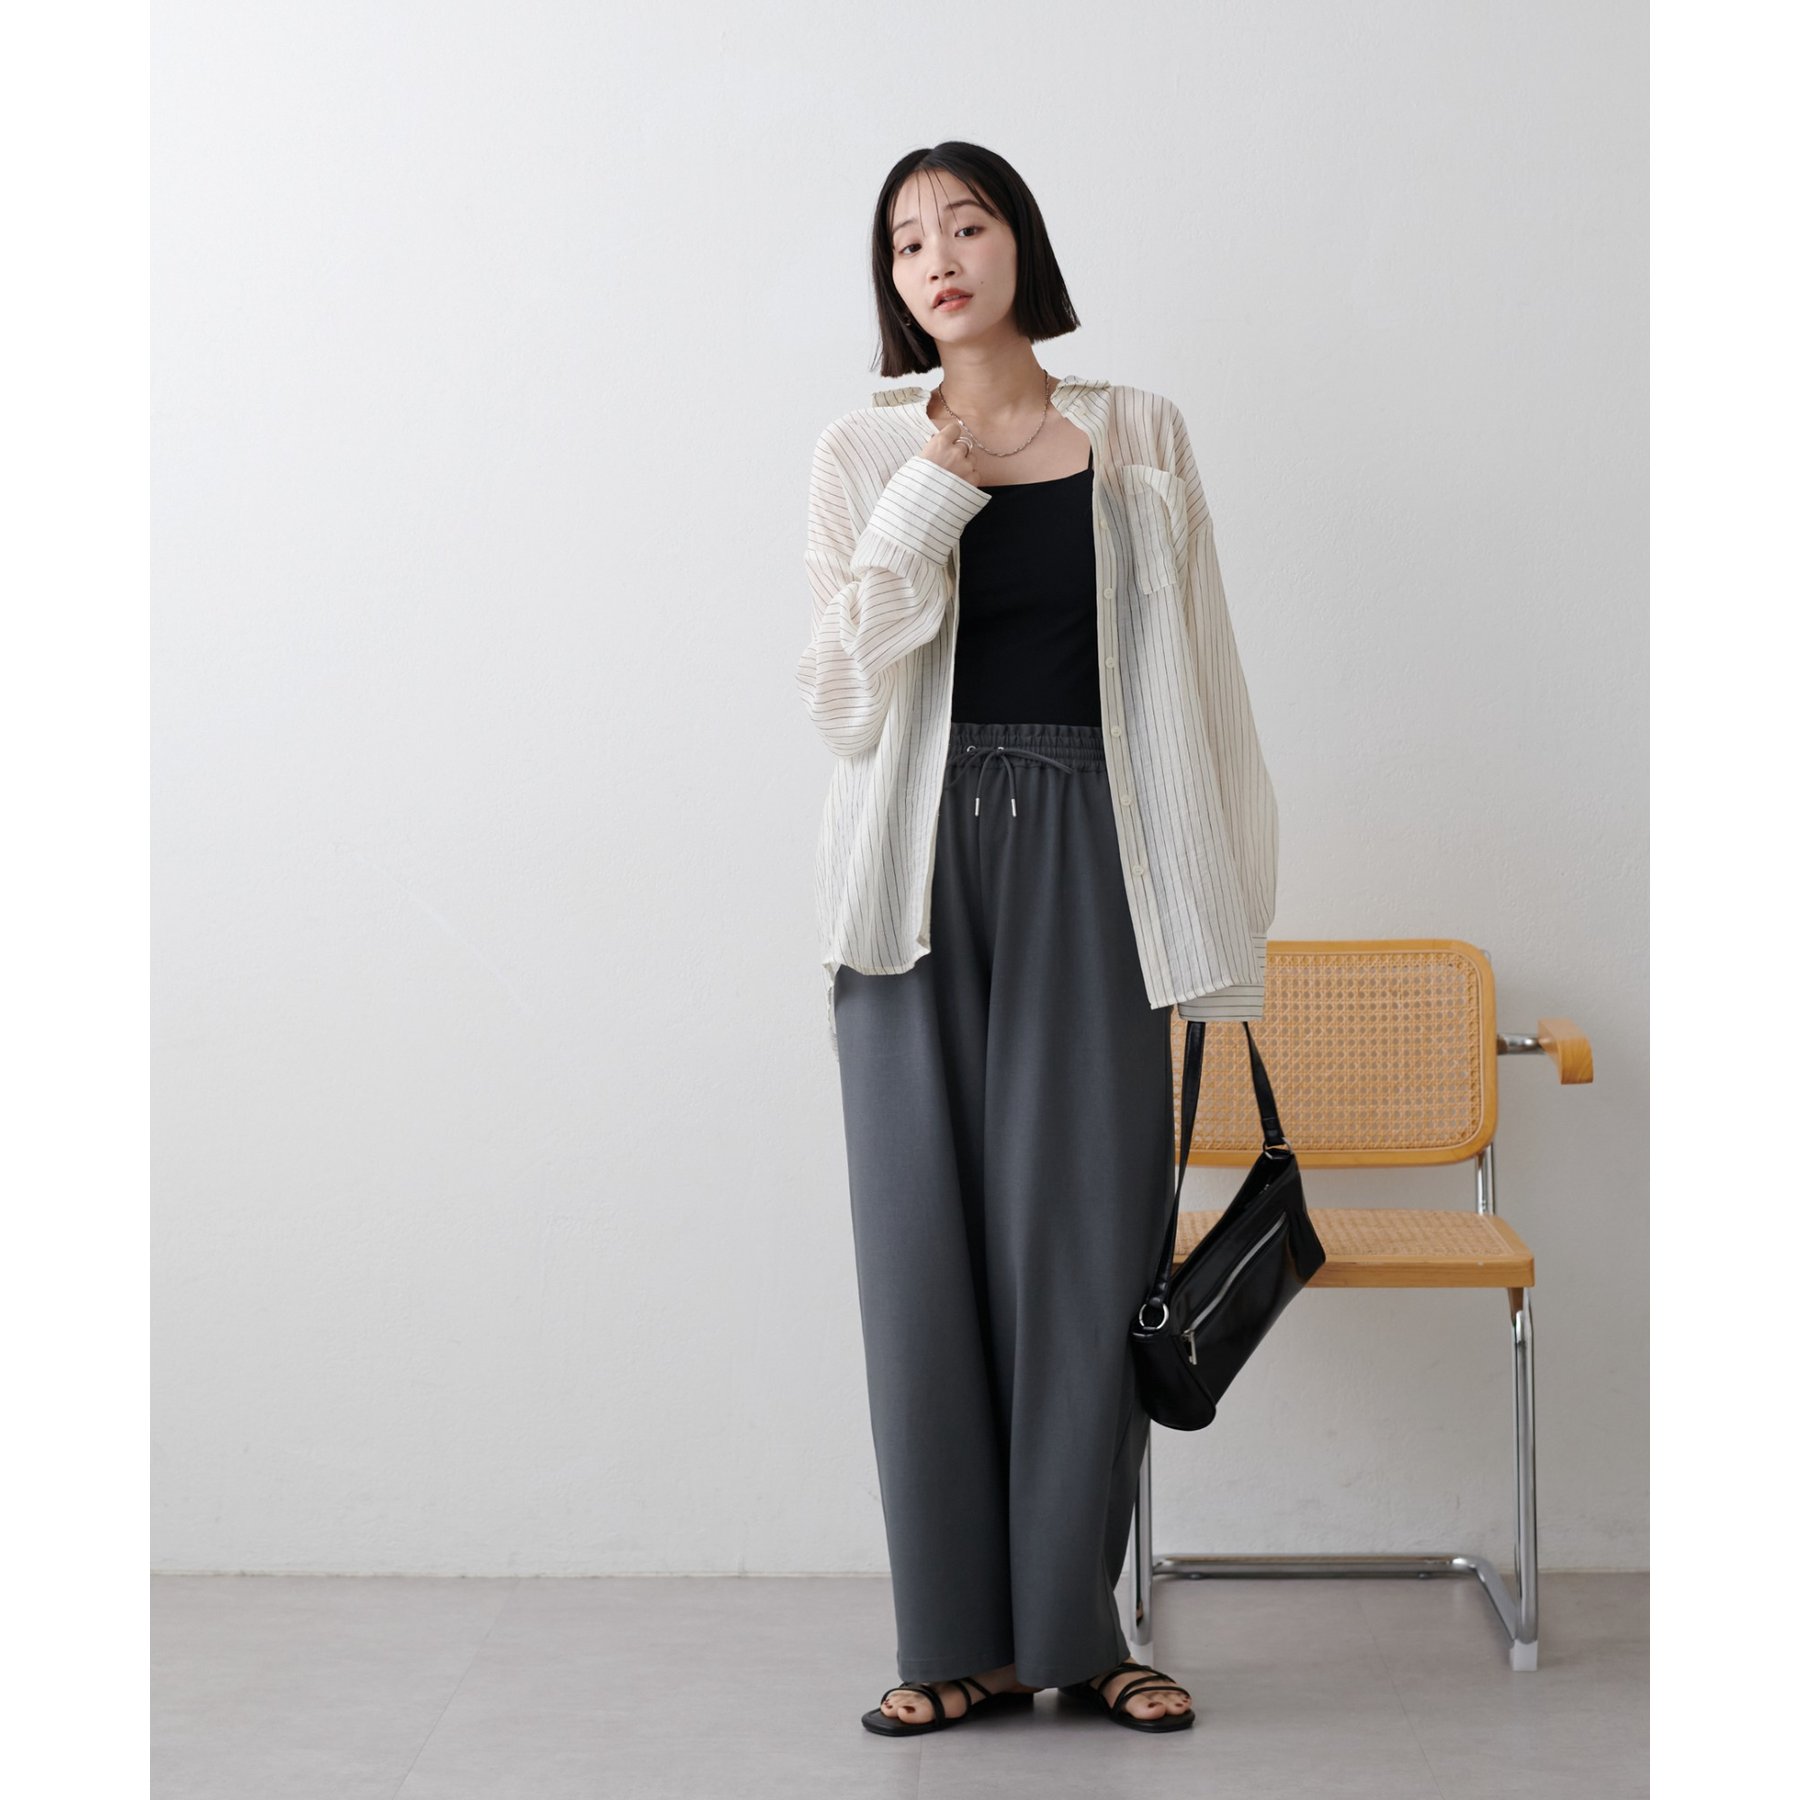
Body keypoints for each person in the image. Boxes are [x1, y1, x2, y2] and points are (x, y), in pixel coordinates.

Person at [795, 142, 1279, 1738]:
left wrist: (1222, 916)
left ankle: (1079, 1632)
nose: (937, 257)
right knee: (919, 1259)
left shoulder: (1139, 434)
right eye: (905, 241)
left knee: (1084, 1251)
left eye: (967, 223)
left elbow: (1203, 676)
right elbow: (845, 695)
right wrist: (931, 483)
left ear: (1022, 245)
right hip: (909, 877)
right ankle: (952, 1643)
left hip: (1099, 854)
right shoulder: (864, 453)